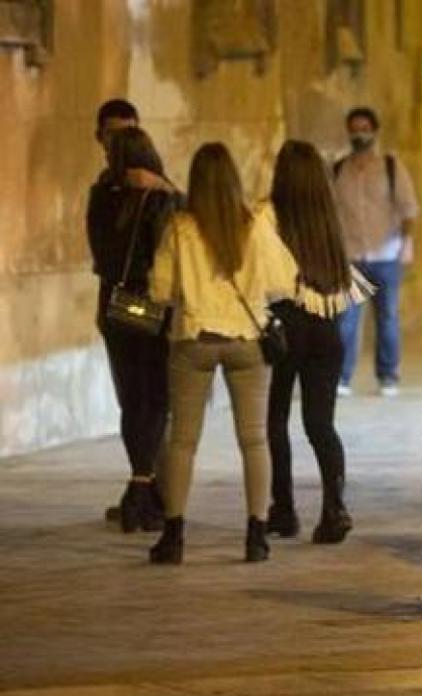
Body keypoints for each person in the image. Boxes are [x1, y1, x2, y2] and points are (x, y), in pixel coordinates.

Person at [146, 143, 299, 565]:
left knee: (183, 441)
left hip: (194, 339)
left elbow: (160, 290)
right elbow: (284, 281)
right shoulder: (254, 226)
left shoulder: (179, 227)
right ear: (233, 180)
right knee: (254, 439)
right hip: (246, 341)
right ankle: (256, 535)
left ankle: (174, 536)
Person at [266, 140, 371, 544]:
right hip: (327, 329)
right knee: (320, 424)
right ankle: (334, 508)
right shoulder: (327, 218)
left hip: (285, 324)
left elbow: (263, 274)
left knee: (276, 420)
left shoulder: (268, 216)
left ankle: (283, 509)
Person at [86, 126, 180, 533]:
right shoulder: (161, 199)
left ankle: (140, 485)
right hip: (150, 309)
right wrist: (167, 188)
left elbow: (100, 255)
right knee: (156, 399)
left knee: (132, 401)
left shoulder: (102, 197)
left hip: (113, 308)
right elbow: (172, 251)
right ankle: (143, 490)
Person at [333, 107, 419, 398]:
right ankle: (342, 377)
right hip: (351, 257)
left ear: (375, 131)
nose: (360, 133)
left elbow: (408, 209)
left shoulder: (391, 167)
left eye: (365, 127)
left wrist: (407, 243)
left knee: (388, 319)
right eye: (355, 128)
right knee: (346, 321)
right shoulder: (338, 170)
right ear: (348, 132)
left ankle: (388, 377)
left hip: (386, 255)